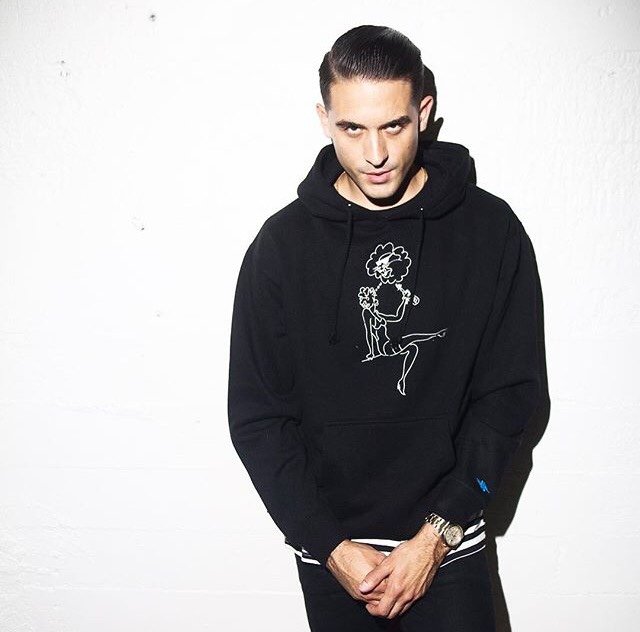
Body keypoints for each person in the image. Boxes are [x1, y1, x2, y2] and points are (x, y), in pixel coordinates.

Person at [227, 24, 541, 631]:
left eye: (393, 126)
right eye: (352, 128)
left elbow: (510, 397)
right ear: (324, 119)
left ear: (422, 113)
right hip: (333, 556)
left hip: (448, 547)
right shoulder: (282, 247)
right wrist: (329, 545)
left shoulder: (489, 231)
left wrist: (436, 536)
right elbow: (258, 417)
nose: (375, 154)